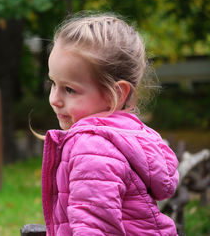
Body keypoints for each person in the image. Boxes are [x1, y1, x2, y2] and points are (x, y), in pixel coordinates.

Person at [40, 13, 179, 235]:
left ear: (117, 93)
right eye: (53, 83)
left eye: (69, 89)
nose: (54, 99)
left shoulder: (93, 147)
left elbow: (94, 228)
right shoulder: (128, 136)